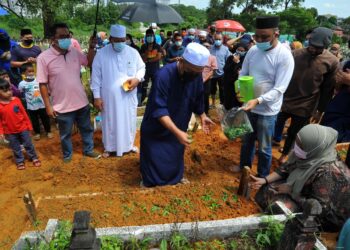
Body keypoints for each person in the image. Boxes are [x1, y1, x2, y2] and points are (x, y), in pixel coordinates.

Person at [140, 43, 214, 187]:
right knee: (154, 155)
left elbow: (197, 97)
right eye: (192, 71)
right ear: (182, 61)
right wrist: (177, 132)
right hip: (157, 126)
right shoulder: (163, 76)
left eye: (198, 72)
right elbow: (159, 109)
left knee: (174, 154)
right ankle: (148, 181)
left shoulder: (196, 76)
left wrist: (203, 115)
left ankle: (175, 177)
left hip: (180, 120)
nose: (195, 75)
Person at [251, 124, 350, 232]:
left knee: (280, 207)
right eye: (296, 143)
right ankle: (262, 214)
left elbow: (319, 209)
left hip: (325, 216)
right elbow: (287, 167)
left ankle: (274, 230)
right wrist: (264, 180)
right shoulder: (312, 153)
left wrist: (292, 192)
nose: (296, 148)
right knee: (268, 188)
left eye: (300, 146)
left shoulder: (329, 175)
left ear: (314, 147)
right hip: (304, 192)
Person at [231, 16, 295, 177]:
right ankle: (244, 166)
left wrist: (258, 100)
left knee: (265, 146)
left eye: (264, 37)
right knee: (247, 141)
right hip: (249, 106)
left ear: (276, 34)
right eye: (256, 36)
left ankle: (262, 176)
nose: (259, 40)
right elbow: (244, 72)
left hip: (268, 110)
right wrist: (241, 90)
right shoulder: (253, 50)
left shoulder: (284, 56)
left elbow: (280, 88)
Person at [274, 27, 339, 164]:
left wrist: (320, 110)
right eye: (312, 45)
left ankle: (285, 154)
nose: (313, 49)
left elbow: (327, 89)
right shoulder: (295, 54)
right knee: (275, 124)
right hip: (285, 99)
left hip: (307, 103)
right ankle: (273, 142)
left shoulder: (332, 61)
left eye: (318, 48)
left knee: (294, 132)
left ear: (325, 46)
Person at [37, 23, 100, 162]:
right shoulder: (43, 58)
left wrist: (91, 47)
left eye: (68, 35)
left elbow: (88, 62)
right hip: (61, 105)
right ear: (53, 38)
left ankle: (88, 149)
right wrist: (48, 106)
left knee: (86, 129)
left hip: (81, 101)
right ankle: (67, 155)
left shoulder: (74, 51)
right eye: (62, 36)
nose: (66, 39)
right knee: (65, 134)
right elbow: (42, 83)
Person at [91, 24, 145, 157]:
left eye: (122, 40)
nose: (120, 43)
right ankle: (109, 147)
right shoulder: (101, 54)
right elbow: (96, 77)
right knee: (110, 121)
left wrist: (137, 79)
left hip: (128, 96)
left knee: (129, 120)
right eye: (117, 40)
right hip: (109, 98)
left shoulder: (133, 52)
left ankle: (129, 145)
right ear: (110, 39)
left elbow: (142, 68)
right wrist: (97, 97)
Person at [0, 78, 41, 169]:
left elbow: (24, 114)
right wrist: (1, 132)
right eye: (5, 91)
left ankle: (33, 157)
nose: (9, 92)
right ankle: (19, 161)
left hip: (23, 128)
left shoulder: (16, 100)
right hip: (10, 131)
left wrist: (29, 126)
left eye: (10, 89)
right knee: (15, 147)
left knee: (28, 143)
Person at [18, 63, 52, 141]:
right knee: (34, 121)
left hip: (42, 105)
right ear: (23, 73)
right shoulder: (22, 84)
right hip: (31, 107)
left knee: (45, 119)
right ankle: (37, 133)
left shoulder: (38, 80)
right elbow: (21, 93)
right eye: (29, 71)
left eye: (32, 71)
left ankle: (48, 131)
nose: (31, 73)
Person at [321, 64, 350, 143]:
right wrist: (339, 81)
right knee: (322, 141)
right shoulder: (348, 64)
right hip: (335, 112)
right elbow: (338, 89)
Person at [139, 29, 162, 105]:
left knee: (156, 84)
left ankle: (155, 100)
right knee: (144, 85)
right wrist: (147, 51)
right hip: (145, 70)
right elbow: (143, 58)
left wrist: (148, 61)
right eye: (148, 36)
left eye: (151, 36)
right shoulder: (143, 46)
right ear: (146, 37)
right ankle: (143, 100)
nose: (149, 37)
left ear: (153, 36)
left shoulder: (157, 46)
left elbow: (158, 57)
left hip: (155, 69)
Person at [223, 42, 248, 110]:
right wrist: (234, 62)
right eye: (238, 50)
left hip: (239, 85)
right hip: (229, 84)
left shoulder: (245, 60)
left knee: (238, 102)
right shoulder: (231, 58)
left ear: (245, 51)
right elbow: (225, 69)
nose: (239, 52)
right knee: (228, 102)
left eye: (242, 51)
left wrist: (240, 72)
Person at [209, 33, 231, 107]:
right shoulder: (210, 48)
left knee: (222, 89)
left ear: (222, 40)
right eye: (216, 39)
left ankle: (222, 104)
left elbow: (228, 60)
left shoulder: (225, 49)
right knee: (212, 89)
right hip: (212, 74)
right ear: (214, 39)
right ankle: (213, 103)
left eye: (219, 39)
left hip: (222, 74)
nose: (218, 41)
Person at [202, 42, 217, 115]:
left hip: (207, 80)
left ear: (210, 48)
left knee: (205, 96)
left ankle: (206, 112)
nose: (205, 47)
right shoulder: (199, 56)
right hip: (197, 80)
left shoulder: (212, 57)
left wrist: (204, 79)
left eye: (207, 46)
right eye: (204, 46)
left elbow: (213, 70)